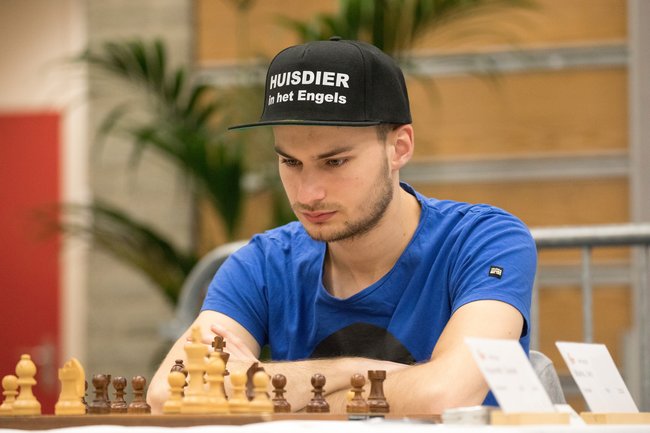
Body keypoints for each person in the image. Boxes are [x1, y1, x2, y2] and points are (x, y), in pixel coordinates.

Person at [147, 37, 537, 414]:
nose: (308, 193)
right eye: (290, 162)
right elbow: (168, 394)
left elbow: (445, 396)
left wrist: (280, 392)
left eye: (335, 162)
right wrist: (354, 371)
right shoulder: (262, 263)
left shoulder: (484, 241)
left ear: (399, 147)